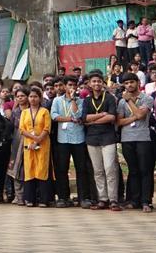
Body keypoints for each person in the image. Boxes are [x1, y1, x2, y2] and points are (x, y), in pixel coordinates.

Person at [50, 75, 90, 207]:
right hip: (63, 139)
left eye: (74, 85)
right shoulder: (57, 100)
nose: (72, 88)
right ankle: (63, 197)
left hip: (78, 139)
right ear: (64, 86)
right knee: (62, 169)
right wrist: (69, 119)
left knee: (81, 169)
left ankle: (83, 197)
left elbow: (78, 115)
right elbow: (54, 116)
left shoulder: (81, 101)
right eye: (69, 85)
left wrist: (73, 100)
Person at [82, 71, 120, 210]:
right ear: (89, 84)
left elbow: (111, 117)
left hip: (108, 137)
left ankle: (113, 199)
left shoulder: (109, 98)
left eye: (99, 81)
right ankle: (102, 199)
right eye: (94, 81)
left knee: (110, 168)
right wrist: (100, 115)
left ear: (103, 83)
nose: (96, 84)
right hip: (92, 139)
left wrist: (92, 121)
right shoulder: (86, 100)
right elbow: (84, 118)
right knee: (97, 170)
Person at [116, 73, 154, 211]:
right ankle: (134, 200)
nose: (129, 85)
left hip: (143, 138)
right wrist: (134, 117)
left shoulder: (147, 98)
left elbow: (141, 114)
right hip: (127, 138)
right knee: (133, 170)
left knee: (145, 169)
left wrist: (129, 102)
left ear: (138, 82)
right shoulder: (121, 102)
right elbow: (119, 121)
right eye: (126, 83)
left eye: (131, 82)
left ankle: (146, 201)